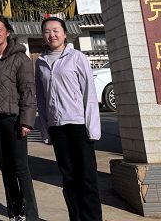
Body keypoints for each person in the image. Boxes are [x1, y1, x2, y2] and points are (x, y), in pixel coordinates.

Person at [34, 16, 102, 221]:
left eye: (56, 30)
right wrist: (45, 129)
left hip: (78, 125)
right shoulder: (41, 62)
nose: (52, 35)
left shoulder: (77, 57)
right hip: (57, 127)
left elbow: (89, 94)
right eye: (47, 31)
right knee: (69, 178)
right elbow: (41, 99)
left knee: (87, 177)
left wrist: (92, 128)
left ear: (64, 33)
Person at [0, 16, 40, 221]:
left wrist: (27, 121)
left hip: (13, 120)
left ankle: (31, 215)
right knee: (5, 167)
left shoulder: (19, 58)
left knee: (20, 168)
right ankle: (15, 211)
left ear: (8, 32)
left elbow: (28, 90)